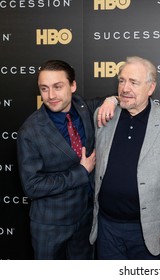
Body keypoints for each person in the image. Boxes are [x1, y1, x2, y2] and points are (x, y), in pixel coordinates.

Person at [17, 60, 116, 259]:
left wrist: (112, 100)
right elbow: (32, 186)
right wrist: (81, 172)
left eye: (58, 87)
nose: (51, 95)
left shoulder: (84, 108)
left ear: (73, 86)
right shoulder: (30, 131)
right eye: (44, 89)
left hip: (86, 222)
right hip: (50, 226)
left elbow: (117, 98)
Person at [89, 56, 160, 260]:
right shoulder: (104, 116)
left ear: (150, 88)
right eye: (122, 81)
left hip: (149, 230)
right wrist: (111, 99)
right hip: (107, 227)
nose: (125, 88)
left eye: (134, 82)